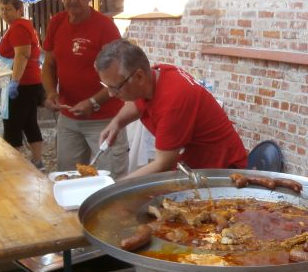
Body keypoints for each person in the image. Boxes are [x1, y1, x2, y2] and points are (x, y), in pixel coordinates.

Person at [95, 39, 247, 178]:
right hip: (196, 165)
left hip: (223, 170)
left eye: (115, 88)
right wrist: (117, 123)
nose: (110, 94)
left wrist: (116, 186)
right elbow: (137, 104)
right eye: (107, 87)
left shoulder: (173, 101)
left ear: (139, 76)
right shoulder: (156, 75)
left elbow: (163, 164)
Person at [42, 0, 129, 177]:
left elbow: (121, 77)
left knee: (109, 179)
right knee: (67, 177)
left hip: (105, 119)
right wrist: (50, 93)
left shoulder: (105, 27)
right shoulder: (56, 22)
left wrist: (94, 102)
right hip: (68, 118)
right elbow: (48, 64)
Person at [0, 0, 45, 169]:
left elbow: (22, 55)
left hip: (22, 84)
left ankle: (14, 165)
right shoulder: (18, 26)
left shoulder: (18, 28)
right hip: (28, 82)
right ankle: (37, 161)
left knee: (12, 124)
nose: (4, 13)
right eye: (2, 9)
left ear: (19, 10)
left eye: (9, 9)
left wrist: (14, 81)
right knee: (28, 121)